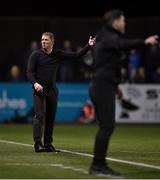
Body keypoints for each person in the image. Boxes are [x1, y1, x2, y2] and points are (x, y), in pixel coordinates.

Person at [88, 9, 158, 178]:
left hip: (103, 84)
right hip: (102, 85)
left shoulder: (104, 36)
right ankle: (97, 165)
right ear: (116, 22)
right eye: (123, 20)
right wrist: (145, 42)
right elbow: (122, 45)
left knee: (106, 126)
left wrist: (115, 85)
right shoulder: (108, 35)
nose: (125, 23)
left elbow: (105, 62)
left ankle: (99, 164)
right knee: (107, 126)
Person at [27, 32, 96, 153]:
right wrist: (35, 83)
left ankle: (48, 144)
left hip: (52, 90)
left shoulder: (57, 54)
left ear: (52, 42)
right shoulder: (35, 55)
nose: (43, 41)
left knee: (51, 118)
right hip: (39, 90)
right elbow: (29, 72)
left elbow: (76, 55)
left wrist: (88, 45)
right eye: (42, 39)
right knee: (39, 115)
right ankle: (38, 144)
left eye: (46, 40)